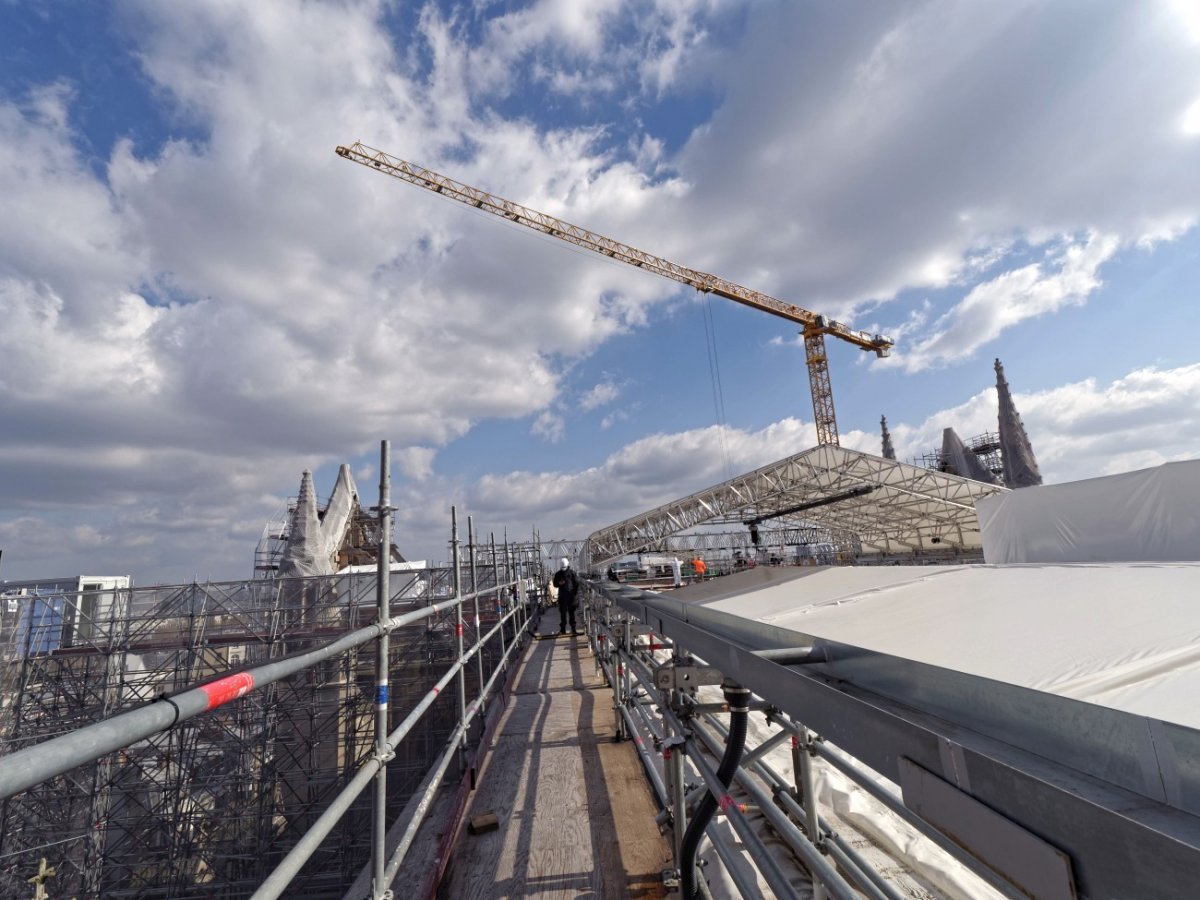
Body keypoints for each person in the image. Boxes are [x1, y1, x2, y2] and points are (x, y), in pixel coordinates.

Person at [551, 557, 580, 635]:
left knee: (571, 613)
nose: (563, 569)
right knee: (563, 614)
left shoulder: (572, 573)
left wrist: (575, 595)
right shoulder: (558, 574)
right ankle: (563, 629)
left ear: (567, 565)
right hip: (562, 597)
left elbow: (577, 584)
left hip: (571, 597)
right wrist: (559, 583)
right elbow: (554, 584)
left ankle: (573, 629)